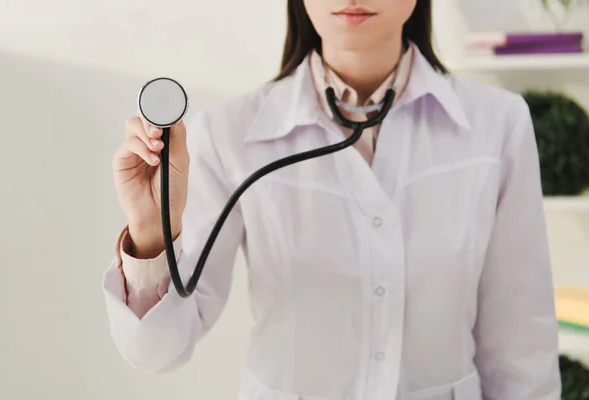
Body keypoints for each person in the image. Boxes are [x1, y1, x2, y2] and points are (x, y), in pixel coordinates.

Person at [103, 1, 562, 399]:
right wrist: (150, 232)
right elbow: (158, 349)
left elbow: (522, 353)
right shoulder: (229, 133)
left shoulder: (497, 124)